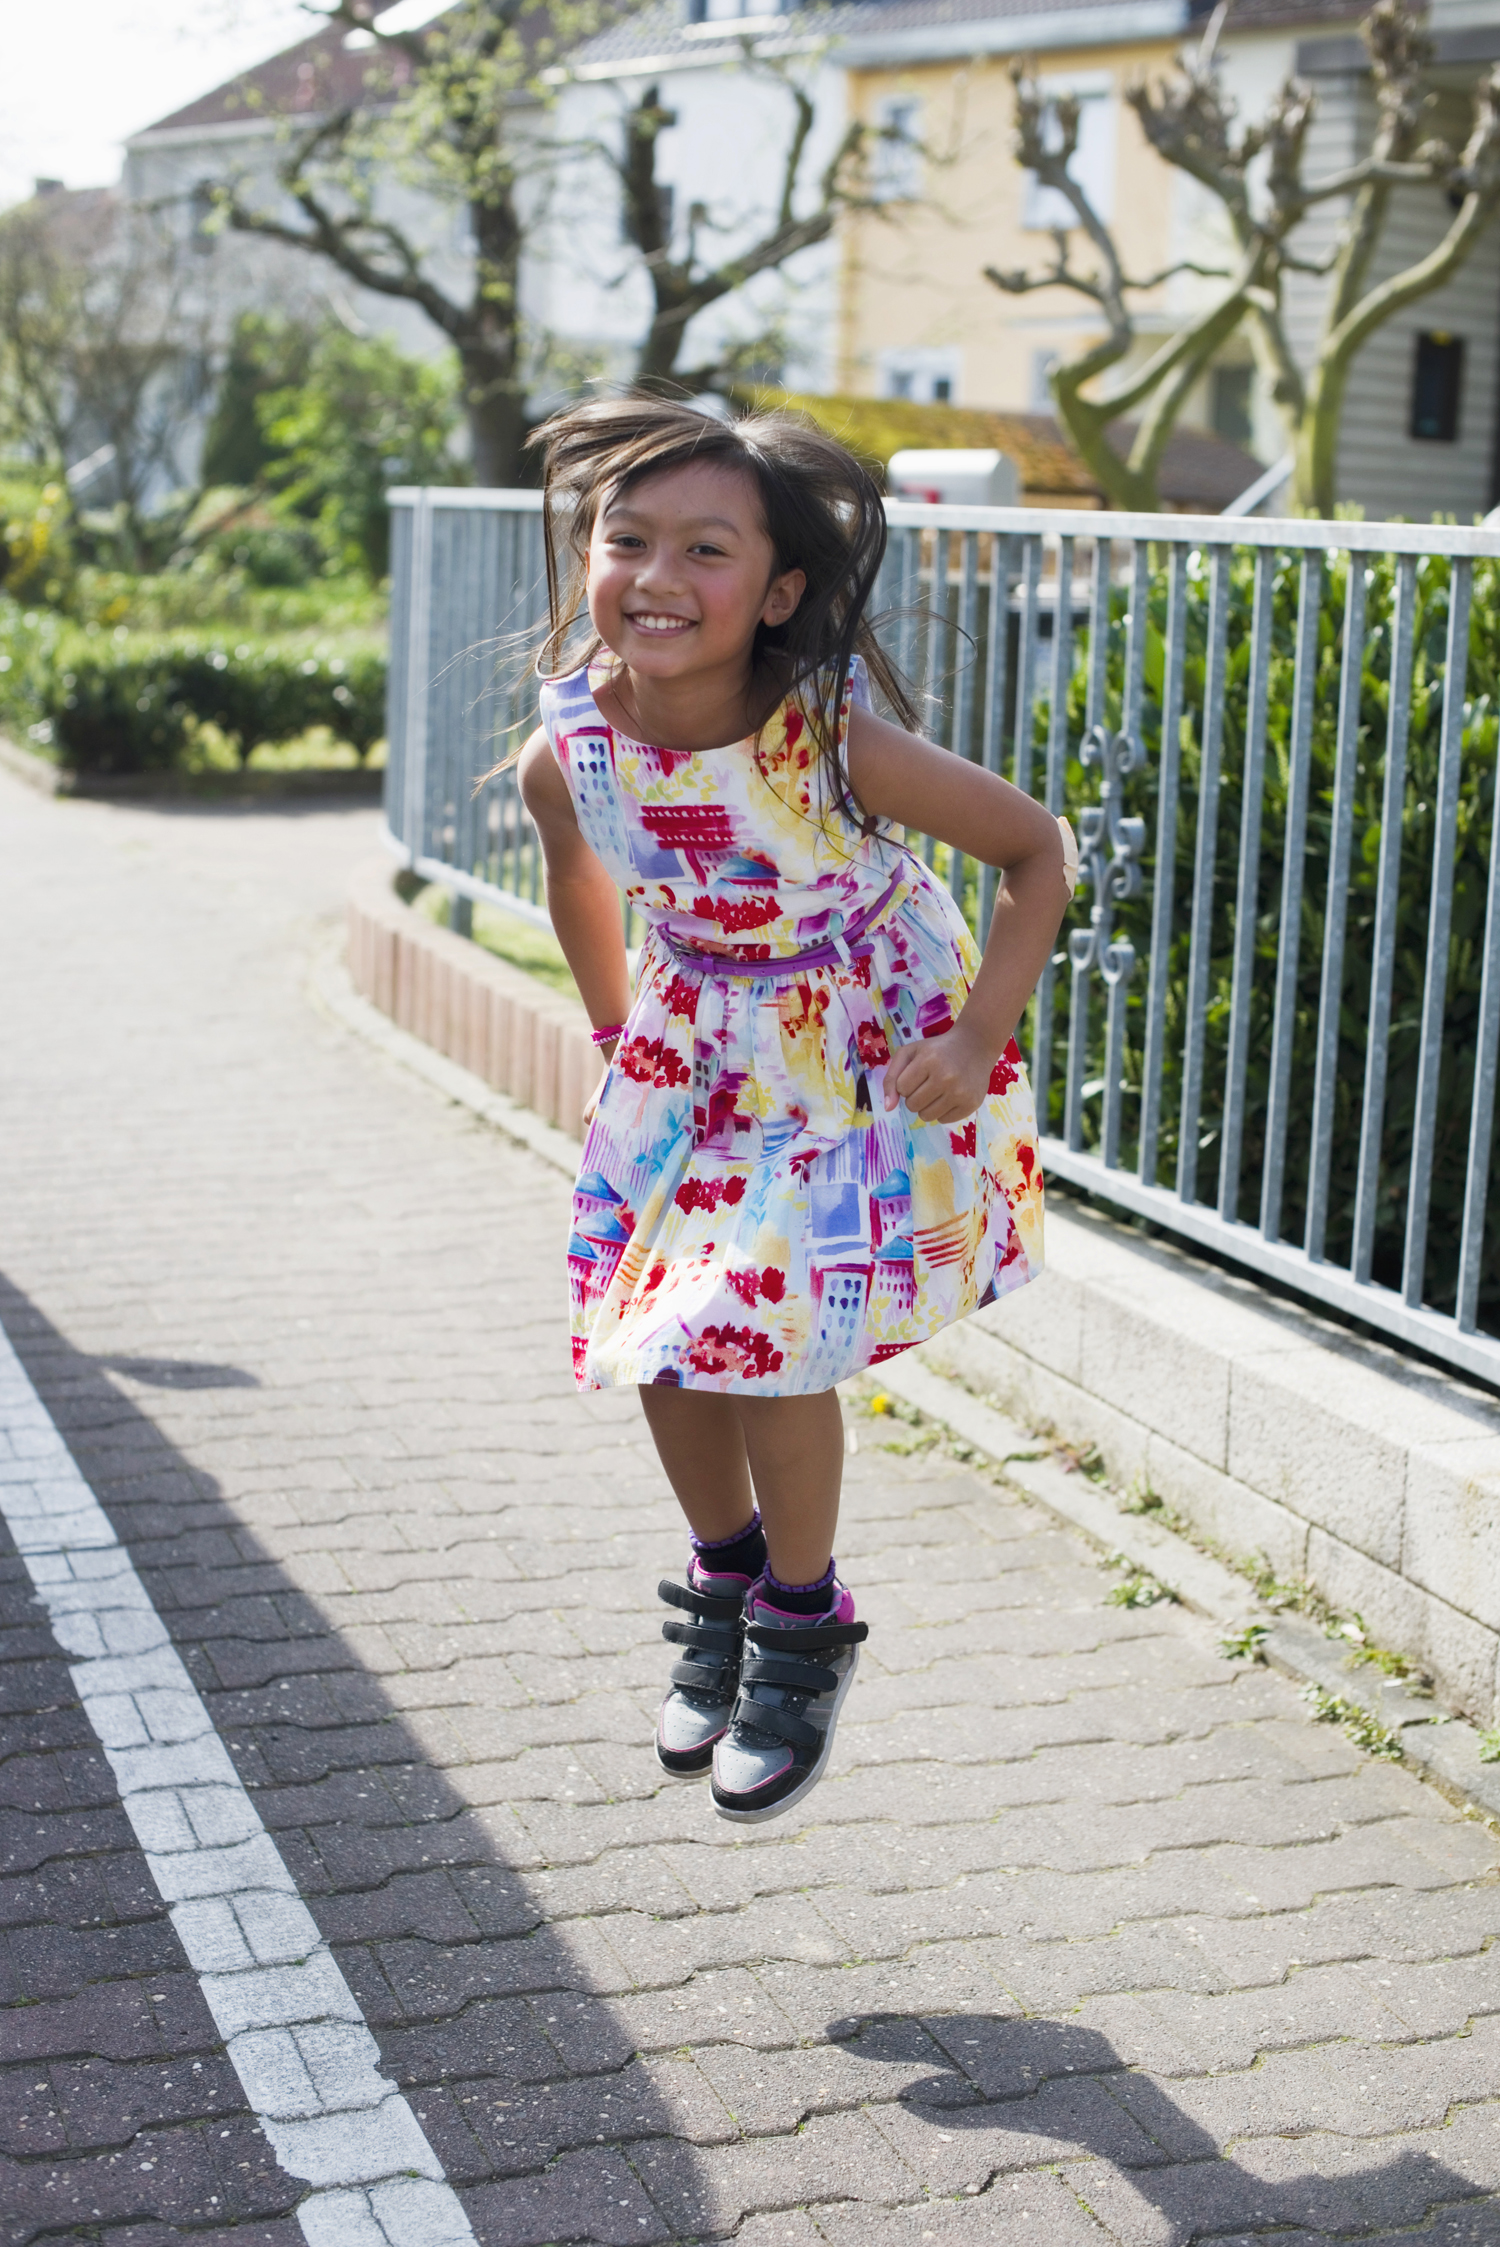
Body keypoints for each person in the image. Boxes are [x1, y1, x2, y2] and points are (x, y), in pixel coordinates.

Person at [516, 396, 1073, 1826]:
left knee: (762, 1341)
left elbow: (1035, 850)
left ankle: (805, 1625)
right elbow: (575, 868)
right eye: (627, 540)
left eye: (706, 550)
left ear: (777, 594)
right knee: (656, 1341)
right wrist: (615, 1029)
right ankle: (727, 1578)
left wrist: (980, 1032)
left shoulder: (827, 741)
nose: (657, 576)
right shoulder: (571, 746)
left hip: (850, 1052)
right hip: (696, 1052)